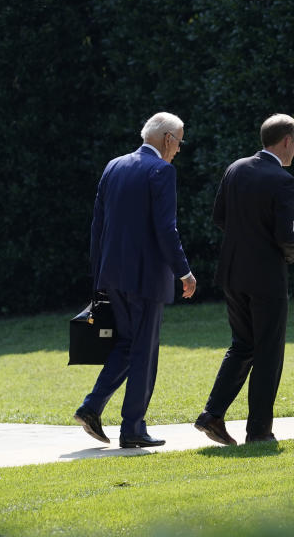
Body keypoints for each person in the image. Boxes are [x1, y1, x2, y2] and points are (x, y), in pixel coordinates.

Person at [74, 112, 197, 448]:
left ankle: (92, 406)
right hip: (145, 277)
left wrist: (97, 274)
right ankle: (133, 429)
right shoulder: (162, 170)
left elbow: (97, 226)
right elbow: (166, 228)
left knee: (128, 345)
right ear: (168, 139)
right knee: (143, 351)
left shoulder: (114, 166)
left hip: (111, 274)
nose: (179, 150)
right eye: (179, 142)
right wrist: (184, 271)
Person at [194, 114, 294, 446]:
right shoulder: (283, 180)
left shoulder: (236, 168)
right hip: (266, 277)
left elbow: (219, 216)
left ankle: (212, 415)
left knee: (242, 345)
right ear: (286, 140)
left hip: (232, 272)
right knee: (268, 352)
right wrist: (293, 249)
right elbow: (285, 234)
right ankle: (258, 431)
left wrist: (246, 240)